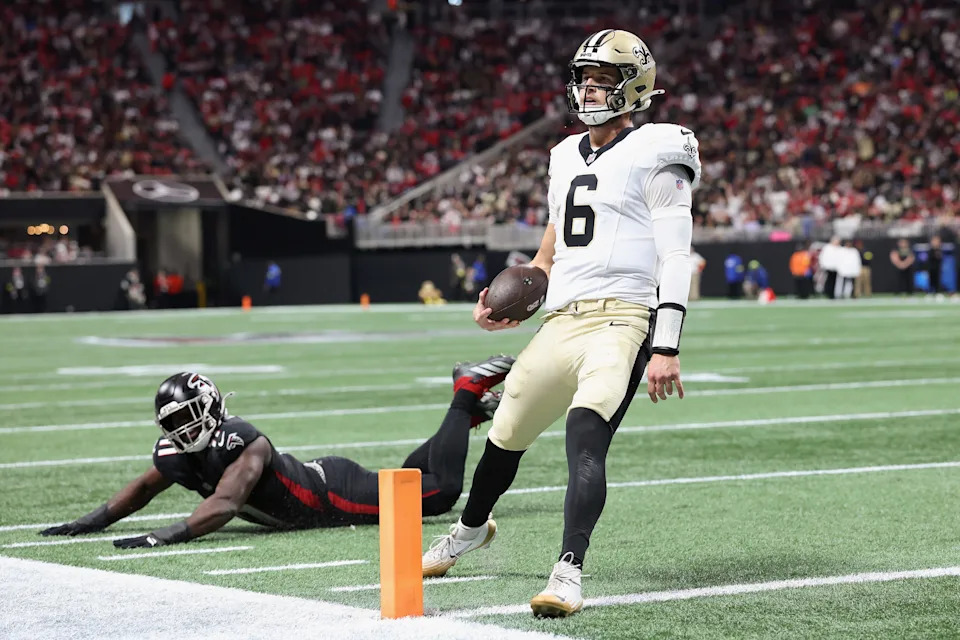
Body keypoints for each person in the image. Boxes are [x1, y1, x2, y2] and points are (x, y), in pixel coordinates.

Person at [422, 29, 700, 618]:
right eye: (586, 79)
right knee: (505, 436)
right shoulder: (562, 154)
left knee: (586, 438)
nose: (591, 89)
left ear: (636, 87)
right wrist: (512, 297)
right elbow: (551, 249)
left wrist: (667, 345)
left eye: (604, 80)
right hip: (562, 318)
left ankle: (568, 571)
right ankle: (470, 530)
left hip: (624, 319)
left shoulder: (660, 147)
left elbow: (676, 255)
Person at [39, 355, 514, 547]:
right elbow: (141, 490)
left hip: (330, 494)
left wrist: (160, 537)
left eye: (189, 418)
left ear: (212, 407)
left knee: (441, 493)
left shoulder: (244, 440)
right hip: (327, 483)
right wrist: (89, 523)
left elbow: (224, 504)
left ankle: (466, 393)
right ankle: (465, 414)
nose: (183, 432)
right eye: (175, 425)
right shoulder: (179, 453)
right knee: (412, 480)